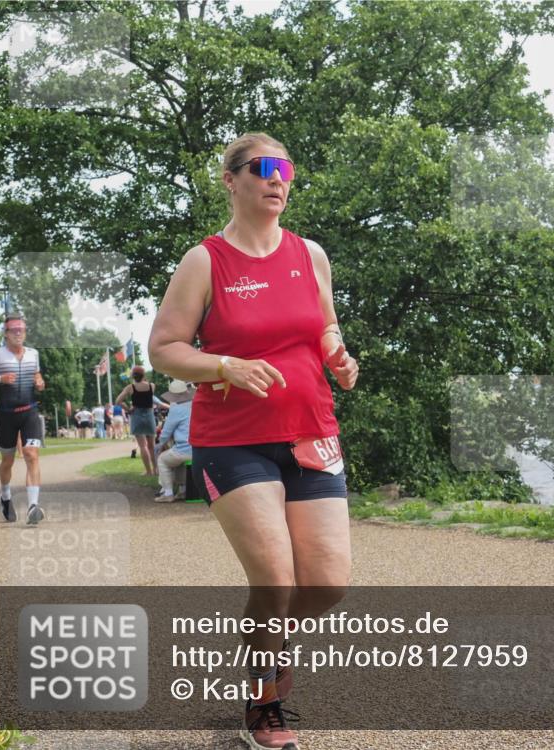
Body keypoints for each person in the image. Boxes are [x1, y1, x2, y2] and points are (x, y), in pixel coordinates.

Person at [149, 132, 358, 750]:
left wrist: (341, 359)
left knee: (325, 586)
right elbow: (164, 349)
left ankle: (263, 641)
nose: (277, 179)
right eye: (263, 169)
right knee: (274, 578)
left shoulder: (310, 255)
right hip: (234, 440)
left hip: (312, 431)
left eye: (285, 169)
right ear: (231, 180)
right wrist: (225, 367)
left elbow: (324, 327)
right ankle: (265, 703)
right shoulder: (206, 260)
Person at [0, 314, 47, 524]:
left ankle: (33, 506)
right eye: (13, 330)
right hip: (6, 415)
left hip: (30, 412)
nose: (18, 333)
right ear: (6, 334)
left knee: (31, 454)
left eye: (21, 329)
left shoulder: (33, 354)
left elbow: (38, 378)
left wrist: (40, 383)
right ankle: (6, 497)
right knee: (7, 461)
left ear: (25, 332)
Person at [115, 366, 167, 476]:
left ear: (133, 376)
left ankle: (148, 471)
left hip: (137, 416)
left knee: (142, 446)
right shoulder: (151, 386)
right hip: (149, 416)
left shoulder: (130, 387)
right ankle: (156, 470)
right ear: (144, 375)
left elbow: (118, 401)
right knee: (151, 446)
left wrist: (128, 410)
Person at [154, 380, 194, 502]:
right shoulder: (194, 403)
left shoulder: (176, 408)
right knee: (177, 461)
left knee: (162, 460)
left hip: (185, 450)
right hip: (198, 449)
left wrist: (159, 445)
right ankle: (182, 490)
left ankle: (168, 493)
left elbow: (166, 432)